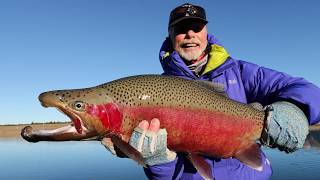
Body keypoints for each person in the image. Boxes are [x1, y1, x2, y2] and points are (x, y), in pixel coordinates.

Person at [102, 3, 320, 180]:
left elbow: (309, 91)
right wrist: (160, 164)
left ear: (206, 33)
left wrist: (295, 109)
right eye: (180, 29)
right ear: (170, 36)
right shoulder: (156, 89)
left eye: (196, 27)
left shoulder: (241, 72)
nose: (189, 34)